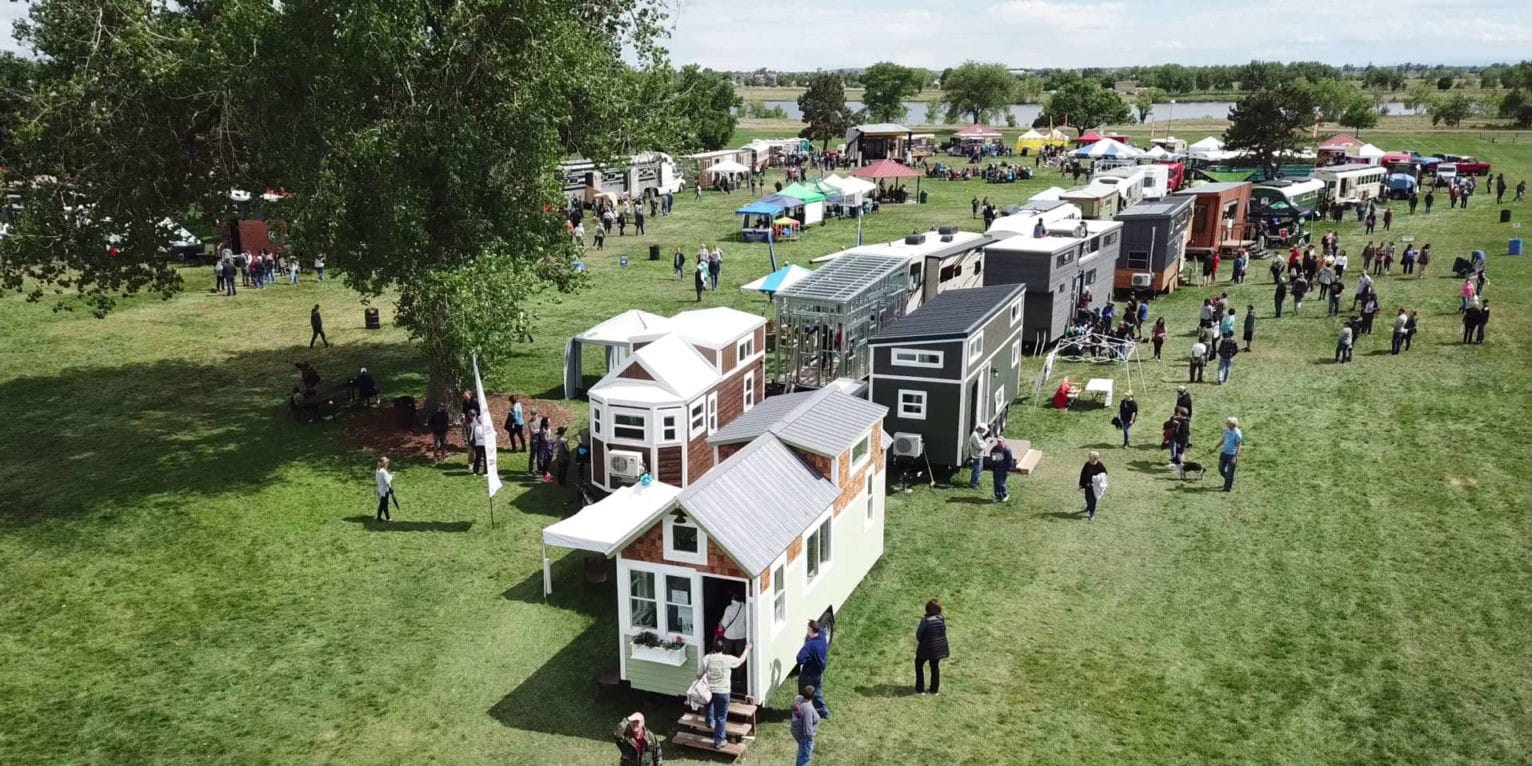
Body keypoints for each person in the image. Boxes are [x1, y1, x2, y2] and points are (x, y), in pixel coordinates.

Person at [700, 639, 750, 750]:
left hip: (709, 690)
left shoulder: (707, 659)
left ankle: (709, 722)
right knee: (721, 717)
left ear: (712, 648)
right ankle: (719, 741)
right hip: (722, 692)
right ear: (724, 649)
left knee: (708, 704)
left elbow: (699, 674)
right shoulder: (728, 659)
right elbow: (740, 661)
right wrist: (747, 649)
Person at [914, 600, 950, 695]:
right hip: (938, 648)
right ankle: (934, 690)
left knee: (918, 664)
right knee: (934, 667)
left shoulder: (925, 621)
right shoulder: (941, 619)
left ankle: (920, 689)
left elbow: (918, 635)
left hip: (926, 648)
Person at [796, 621, 830, 719]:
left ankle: (804, 712)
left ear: (811, 630)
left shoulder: (810, 645)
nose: (806, 631)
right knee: (818, 692)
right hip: (819, 672)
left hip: (808, 674)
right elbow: (821, 630)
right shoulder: (822, 637)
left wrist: (807, 659)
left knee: (804, 693)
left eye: (807, 629)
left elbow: (799, 658)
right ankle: (824, 712)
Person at [791, 685, 820, 766]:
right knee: (803, 761)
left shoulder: (799, 700)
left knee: (801, 760)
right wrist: (809, 740)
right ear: (813, 695)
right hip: (806, 740)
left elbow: (797, 697)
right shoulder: (808, 709)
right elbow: (807, 729)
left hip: (800, 735)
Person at [1079, 451, 1108, 520]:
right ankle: (1088, 507)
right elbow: (1083, 474)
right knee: (1087, 497)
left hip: (1095, 487)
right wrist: (1081, 484)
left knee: (1093, 500)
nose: (1089, 458)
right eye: (1089, 457)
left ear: (1095, 458)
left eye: (1090, 457)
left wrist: (1096, 479)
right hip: (1087, 485)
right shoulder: (1087, 464)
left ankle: (1092, 514)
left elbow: (1104, 474)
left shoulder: (1100, 465)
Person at [988, 437, 1016, 502]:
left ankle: (1005, 495)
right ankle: (998, 496)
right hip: (996, 468)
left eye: (1000, 441)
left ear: (1003, 441)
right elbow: (992, 458)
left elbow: (1010, 460)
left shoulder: (1007, 450)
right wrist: (993, 464)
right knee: (996, 483)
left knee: (1001, 483)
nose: (999, 443)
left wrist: (1009, 470)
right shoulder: (994, 449)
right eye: (998, 441)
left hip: (1003, 469)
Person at [1219, 417, 1243, 492]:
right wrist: (1216, 447)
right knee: (1220, 468)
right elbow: (1223, 440)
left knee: (1230, 471)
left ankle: (1227, 487)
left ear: (1232, 425)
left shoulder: (1237, 433)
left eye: (1228, 423)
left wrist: (1235, 457)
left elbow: (1239, 446)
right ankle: (1230, 479)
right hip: (1224, 453)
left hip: (1231, 455)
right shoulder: (1226, 430)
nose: (1226, 424)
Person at [965, 424, 990, 489]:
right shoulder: (975, 435)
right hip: (977, 455)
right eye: (984, 430)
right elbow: (979, 446)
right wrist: (986, 443)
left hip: (979, 455)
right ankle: (973, 483)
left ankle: (977, 481)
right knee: (977, 470)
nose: (984, 431)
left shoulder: (978, 434)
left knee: (979, 469)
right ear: (980, 429)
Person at [374, 456, 393, 522]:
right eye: (387, 463)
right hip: (385, 490)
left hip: (380, 489)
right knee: (385, 504)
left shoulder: (378, 470)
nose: (388, 464)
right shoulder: (384, 472)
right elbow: (387, 482)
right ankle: (388, 518)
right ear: (384, 464)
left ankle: (379, 517)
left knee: (382, 504)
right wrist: (391, 477)